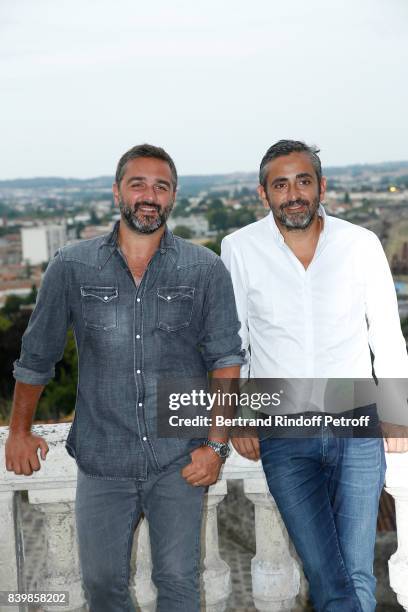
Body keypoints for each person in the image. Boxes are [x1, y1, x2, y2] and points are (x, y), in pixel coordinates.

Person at [5, 143, 244, 612]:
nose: (149, 195)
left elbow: (226, 362)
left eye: (162, 186)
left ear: (173, 198)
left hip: (179, 457)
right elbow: (37, 356)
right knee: (101, 585)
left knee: (178, 583)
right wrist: (18, 430)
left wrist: (216, 446)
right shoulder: (71, 266)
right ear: (117, 191)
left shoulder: (204, 269)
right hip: (102, 458)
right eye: (138, 184)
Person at [221, 140, 408, 612]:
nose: (293, 193)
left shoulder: (360, 244)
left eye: (303, 181)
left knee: (357, 570)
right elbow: (232, 341)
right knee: (325, 569)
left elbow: (385, 333)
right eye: (280, 184)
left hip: (356, 421)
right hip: (283, 429)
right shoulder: (239, 249)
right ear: (264, 194)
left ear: (321, 186)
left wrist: (397, 413)